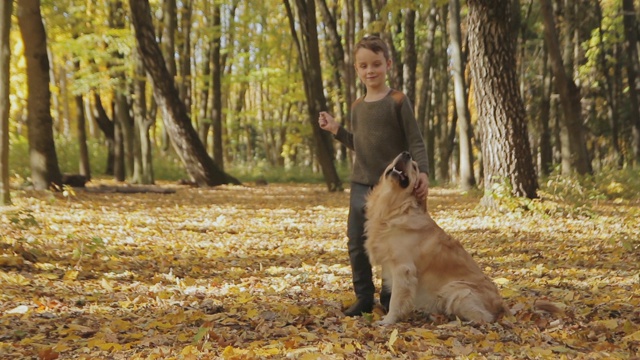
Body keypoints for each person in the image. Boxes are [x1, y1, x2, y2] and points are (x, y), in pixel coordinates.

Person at [318, 35, 430, 317]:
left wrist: (423, 173)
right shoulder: (357, 107)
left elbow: (415, 141)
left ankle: (390, 296)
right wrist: (336, 130)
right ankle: (363, 297)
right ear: (356, 69)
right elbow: (361, 144)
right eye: (364, 66)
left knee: (392, 241)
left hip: (392, 188)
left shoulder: (397, 101)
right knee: (356, 241)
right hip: (361, 183)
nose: (370, 71)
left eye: (376, 64)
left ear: (388, 64)